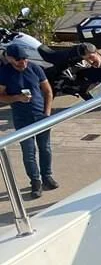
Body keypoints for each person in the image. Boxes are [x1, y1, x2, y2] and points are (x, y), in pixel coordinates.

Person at [0, 42, 56, 198]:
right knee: (29, 152)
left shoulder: (35, 68)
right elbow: (1, 96)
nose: (22, 62)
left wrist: (47, 112)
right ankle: (35, 181)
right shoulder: (4, 73)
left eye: (24, 59)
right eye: (18, 60)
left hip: (41, 116)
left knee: (45, 148)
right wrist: (17, 98)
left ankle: (47, 176)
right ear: (10, 58)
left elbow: (48, 91)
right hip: (22, 118)